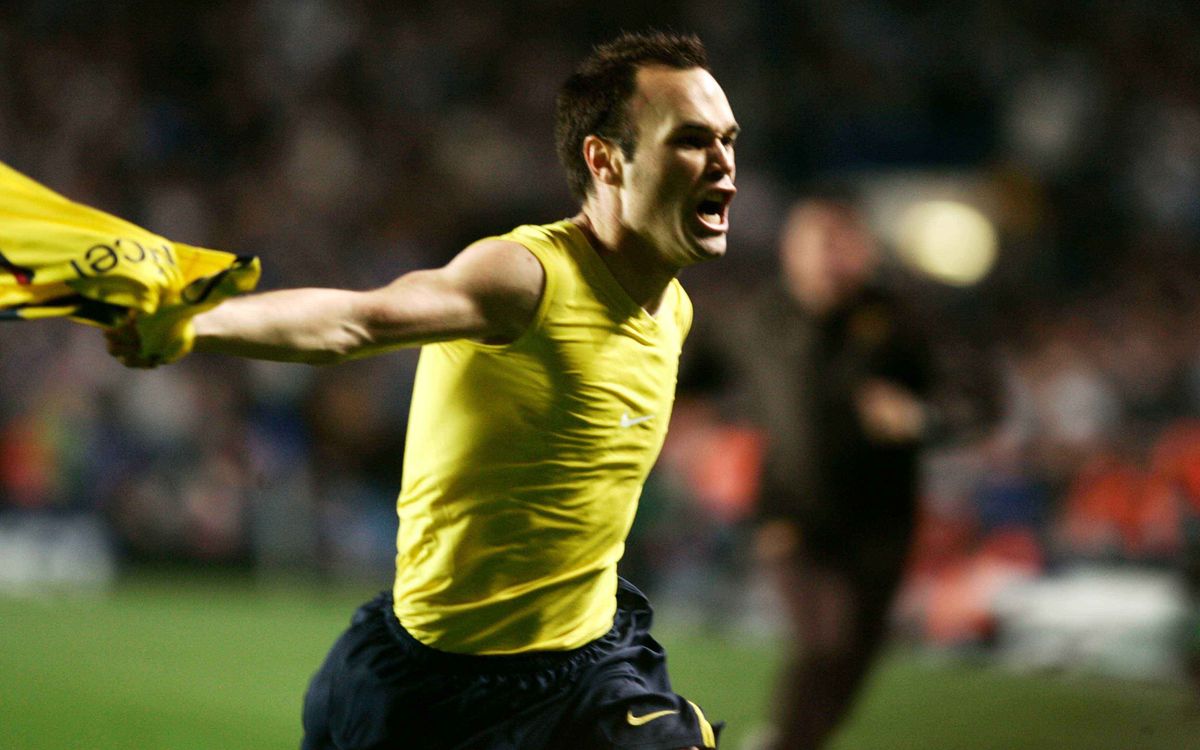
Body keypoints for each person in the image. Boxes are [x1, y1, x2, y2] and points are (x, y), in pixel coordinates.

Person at [107, 30, 735, 750]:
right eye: (692, 140)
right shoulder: (526, 278)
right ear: (605, 160)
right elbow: (355, 319)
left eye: (728, 139)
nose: (724, 164)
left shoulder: (674, 306)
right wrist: (196, 323)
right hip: (437, 687)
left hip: (590, 669)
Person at [694, 194, 990, 750]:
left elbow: (980, 399)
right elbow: (682, 374)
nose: (832, 255)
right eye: (819, 240)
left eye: (844, 240)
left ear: (866, 250)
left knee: (854, 656)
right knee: (824, 640)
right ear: (790, 249)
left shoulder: (902, 321)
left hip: (882, 521)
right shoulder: (756, 320)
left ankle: (790, 740)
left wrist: (922, 417)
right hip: (792, 513)